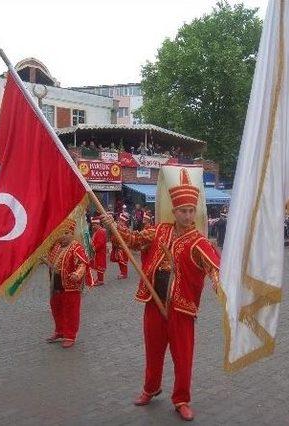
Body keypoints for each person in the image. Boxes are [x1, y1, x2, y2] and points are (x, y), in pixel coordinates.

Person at [104, 168, 221, 422]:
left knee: (183, 357)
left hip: (181, 309)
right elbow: (134, 241)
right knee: (153, 350)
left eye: (191, 211)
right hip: (154, 303)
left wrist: (218, 283)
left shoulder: (199, 242)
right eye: (182, 211)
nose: (187, 215)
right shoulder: (159, 231)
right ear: (174, 211)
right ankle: (150, 388)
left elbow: (214, 266)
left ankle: (181, 399)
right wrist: (114, 227)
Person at [43, 218, 90, 348]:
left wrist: (77, 274)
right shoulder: (57, 246)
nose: (63, 237)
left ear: (71, 234)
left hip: (70, 286)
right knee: (56, 308)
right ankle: (60, 331)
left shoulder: (76, 247)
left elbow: (83, 263)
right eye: (61, 234)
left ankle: (70, 335)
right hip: (56, 284)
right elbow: (50, 260)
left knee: (71, 311)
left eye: (66, 234)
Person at [110, 212, 130, 279]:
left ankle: (124, 274)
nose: (120, 221)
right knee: (120, 261)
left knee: (123, 261)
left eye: (122, 221)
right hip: (118, 247)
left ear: (125, 222)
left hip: (123, 248)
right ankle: (122, 273)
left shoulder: (125, 229)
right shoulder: (118, 227)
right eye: (120, 220)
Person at [89, 218, 107, 286]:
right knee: (98, 265)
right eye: (92, 225)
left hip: (100, 252)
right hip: (98, 252)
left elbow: (100, 243)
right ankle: (99, 279)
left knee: (100, 265)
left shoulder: (101, 231)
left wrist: (94, 248)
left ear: (98, 224)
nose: (93, 226)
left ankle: (100, 280)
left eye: (95, 225)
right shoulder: (97, 231)